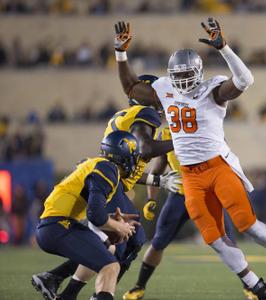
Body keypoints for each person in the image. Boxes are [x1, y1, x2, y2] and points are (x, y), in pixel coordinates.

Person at [114, 18, 266, 300]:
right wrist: (121, 52)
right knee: (214, 239)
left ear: (199, 72)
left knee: (247, 225)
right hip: (190, 178)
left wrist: (224, 47)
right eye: (177, 76)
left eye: (186, 75)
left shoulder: (213, 90)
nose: (181, 82)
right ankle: (256, 284)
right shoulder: (164, 90)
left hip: (218, 168)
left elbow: (245, 80)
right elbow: (131, 88)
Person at [31, 75, 181, 300]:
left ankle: (61, 285)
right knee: (129, 241)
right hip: (59, 222)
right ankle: (98, 293)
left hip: (70, 213)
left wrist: (157, 181)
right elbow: (144, 150)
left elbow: (126, 168)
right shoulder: (145, 115)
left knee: (108, 245)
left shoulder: (120, 129)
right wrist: (185, 139)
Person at [123, 126, 236, 300]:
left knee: (229, 243)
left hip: (208, 196)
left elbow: (226, 159)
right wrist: (151, 199)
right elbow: (158, 169)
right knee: (158, 243)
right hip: (180, 197)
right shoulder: (166, 133)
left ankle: (251, 286)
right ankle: (139, 286)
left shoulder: (206, 123)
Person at [33, 131, 141, 300]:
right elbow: (95, 215)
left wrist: (112, 219)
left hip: (57, 225)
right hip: (57, 226)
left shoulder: (100, 165)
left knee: (108, 247)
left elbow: (94, 211)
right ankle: (55, 279)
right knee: (111, 267)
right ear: (126, 155)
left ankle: (56, 281)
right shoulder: (108, 168)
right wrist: (119, 226)